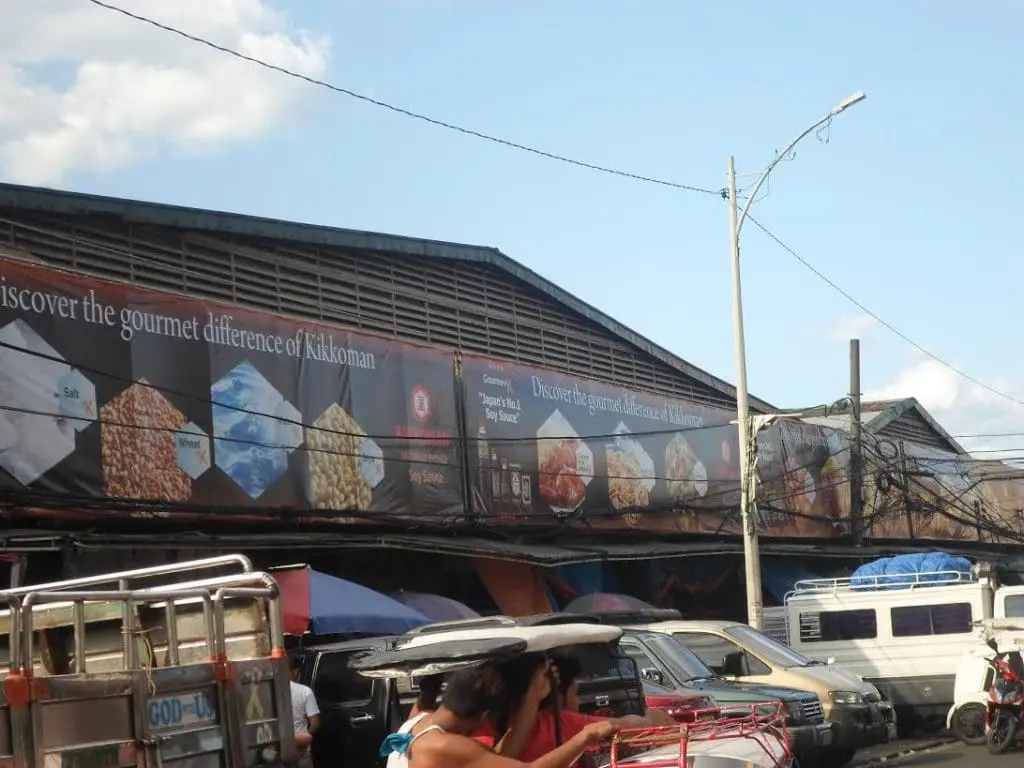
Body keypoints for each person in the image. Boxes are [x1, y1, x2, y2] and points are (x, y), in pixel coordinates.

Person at [380, 663, 617, 768]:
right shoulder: (446, 746)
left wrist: (531, 697)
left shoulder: (418, 719)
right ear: (484, 714)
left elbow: (498, 757)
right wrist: (585, 737)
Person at [490, 655, 673, 763]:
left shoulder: (486, 728)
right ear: (557, 694)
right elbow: (637, 725)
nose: (578, 701)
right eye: (575, 694)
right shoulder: (564, 722)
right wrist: (651, 716)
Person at [289, 654, 321, 768]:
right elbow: (315, 723)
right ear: (296, 672)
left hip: (278, 752)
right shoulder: (304, 692)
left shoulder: (271, 691)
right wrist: (304, 742)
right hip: (302, 753)